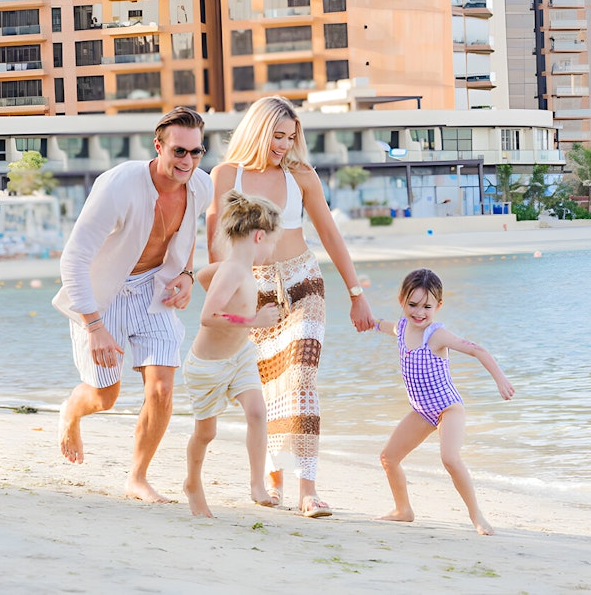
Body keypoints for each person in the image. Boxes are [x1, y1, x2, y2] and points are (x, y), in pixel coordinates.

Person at [206, 95, 374, 518]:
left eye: (290, 137)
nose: (283, 144)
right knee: (267, 388)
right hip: (253, 289)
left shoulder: (302, 176)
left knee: (299, 379)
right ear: (258, 131)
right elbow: (216, 244)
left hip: (304, 284)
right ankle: (275, 474)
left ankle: (308, 489)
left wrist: (356, 294)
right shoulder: (227, 175)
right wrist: (218, 296)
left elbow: (331, 235)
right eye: (276, 135)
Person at [52, 106, 213, 503]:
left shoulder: (201, 186)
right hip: (101, 296)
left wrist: (187, 275)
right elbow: (72, 260)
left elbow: (189, 234)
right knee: (104, 397)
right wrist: (93, 326)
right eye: (179, 151)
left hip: (153, 292)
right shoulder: (118, 185)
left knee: (161, 389)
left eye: (196, 152)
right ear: (158, 146)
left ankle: (137, 477)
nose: (187, 161)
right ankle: (71, 411)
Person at [374, 268, 515, 535]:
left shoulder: (437, 335)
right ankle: (403, 510)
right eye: (412, 304)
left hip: (448, 409)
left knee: (449, 458)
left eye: (427, 306)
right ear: (401, 300)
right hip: (421, 411)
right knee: (388, 457)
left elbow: (476, 350)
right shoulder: (402, 326)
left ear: (438, 305)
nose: (419, 312)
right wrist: (368, 320)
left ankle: (477, 516)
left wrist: (501, 380)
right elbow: (382, 325)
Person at [182, 191, 283, 517]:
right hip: (208, 367)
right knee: (206, 432)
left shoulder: (232, 268)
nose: (271, 250)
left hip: (239, 356)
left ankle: (256, 484)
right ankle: (192, 483)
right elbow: (207, 316)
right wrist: (253, 320)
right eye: (271, 242)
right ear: (258, 236)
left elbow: (201, 276)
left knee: (256, 412)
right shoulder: (234, 272)